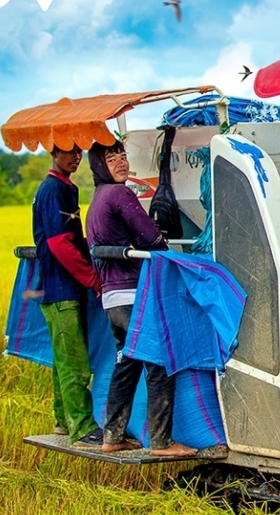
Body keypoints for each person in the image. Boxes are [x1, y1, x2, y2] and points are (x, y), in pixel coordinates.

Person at [86, 141, 196, 457]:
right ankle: (161, 442)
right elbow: (150, 237)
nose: (120, 162)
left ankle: (113, 435)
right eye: (111, 158)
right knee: (160, 358)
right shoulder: (120, 194)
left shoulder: (96, 200)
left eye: (123, 156)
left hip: (112, 299)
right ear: (98, 165)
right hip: (134, 293)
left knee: (128, 361)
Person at [32, 145, 103, 445]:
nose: (76, 157)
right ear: (53, 153)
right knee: (74, 362)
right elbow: (61, 244)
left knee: (64, 359)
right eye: (68, 152)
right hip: (61, 288)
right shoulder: (53, 190)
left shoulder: (65, 187)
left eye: (79, 152)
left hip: (62, 287)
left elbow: (70, 237)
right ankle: (83, 426)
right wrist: (92, 278)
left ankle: (63, 420)